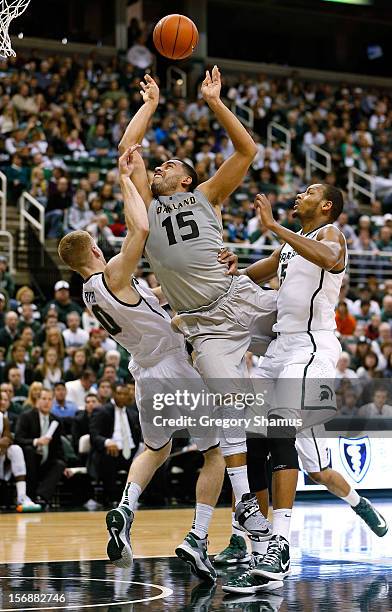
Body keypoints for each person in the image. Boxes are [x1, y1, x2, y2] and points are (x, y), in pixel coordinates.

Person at [58, 146, 225, 583]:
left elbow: (151, 303)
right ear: (93, 250)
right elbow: (142, 226)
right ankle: (199, 535)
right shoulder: (112, 273)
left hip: (143, 372)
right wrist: (125, 179)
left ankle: (126, 507)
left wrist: (178, 293)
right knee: (217, 450)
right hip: (172, 366)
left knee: (156, 447)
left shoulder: (89, 293)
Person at [121, 68, 277, 539]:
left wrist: (214, 101)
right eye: (160, 164)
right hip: (202, 326)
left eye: (170, 164)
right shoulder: (145, 202)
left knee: (302, 322)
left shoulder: (208, 193)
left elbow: (248, 150)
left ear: (188, 178)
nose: (161, 167)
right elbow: (129, 152)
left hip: (238, 297)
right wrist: (149, 105)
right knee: (232, 406)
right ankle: (246, 503)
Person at [221, 184, 388, 593]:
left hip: (313, 347)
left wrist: (275, 225)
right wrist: (229, 271)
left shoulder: (330, 235)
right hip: (279, 348)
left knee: (292, 443)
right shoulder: (289, 249)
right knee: (254, 435)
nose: (299, 195)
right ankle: (255, 540)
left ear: (326, 205)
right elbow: (252, 273)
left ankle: (283, 544)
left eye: (309, 192)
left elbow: (332, 261)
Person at [15, 388, 66, 508]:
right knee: (29, 451)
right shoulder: (26, 417)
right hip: (29, 462)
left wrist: (65, 465)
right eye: (43, 399)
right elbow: (18, 439)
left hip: (46, 461)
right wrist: (36, 441)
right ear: (37, 401)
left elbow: (59, 447)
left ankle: (41, 497)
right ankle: (29, 496)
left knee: (60, 464)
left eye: (49, 399)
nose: (47, 402)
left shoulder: (56, 420)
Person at [0, 401, 41, 511]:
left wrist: (6, 440)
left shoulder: (2, 418)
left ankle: (22, 497)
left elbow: (8, 436)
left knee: (16, 450)